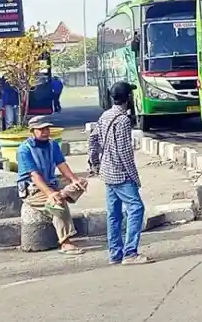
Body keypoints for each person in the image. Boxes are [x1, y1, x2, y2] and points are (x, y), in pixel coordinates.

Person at [88, 81, 151, 265]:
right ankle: (130, 253)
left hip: (107, 171)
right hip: (121, 173)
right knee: (136, 209)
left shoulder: (105, 115)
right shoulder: (122, 120)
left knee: (114, 214)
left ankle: (115, 254)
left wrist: (95, 162)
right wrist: (134, 177)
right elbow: (125, 152)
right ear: (128, 97)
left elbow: (92, 139)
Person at [16, 116, 87, 255]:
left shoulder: (52, 145)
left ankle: (61, 194)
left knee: (82, 182)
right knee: (58, 204)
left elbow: (61, 164)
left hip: (52, 183)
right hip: (33, 189)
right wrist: (50, 193)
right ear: (32, 131)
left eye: (47, 129)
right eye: (41, 129)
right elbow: (34, 175)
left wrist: (74, 180)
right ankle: (65, 242)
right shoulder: (24, 150)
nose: (45, 132)